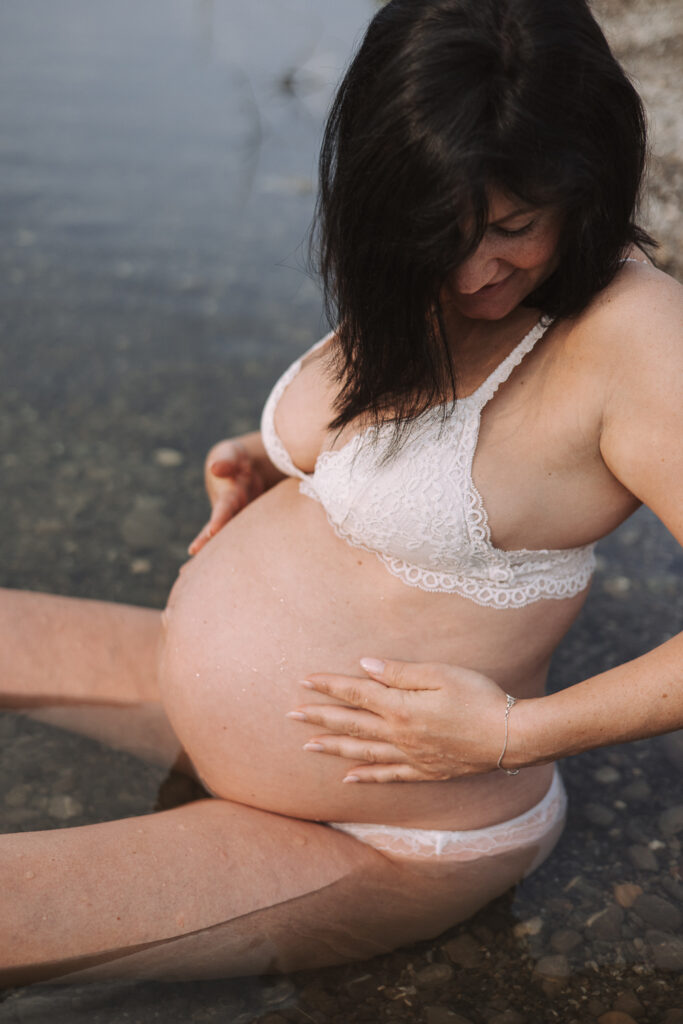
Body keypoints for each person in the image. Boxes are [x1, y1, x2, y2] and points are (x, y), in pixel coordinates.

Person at [1, 0, 681, 986]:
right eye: (438, 234)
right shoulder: (421, 262)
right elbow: (445, 450)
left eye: (513, 228)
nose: (471, 270)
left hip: (384, 830)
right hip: (212, 695)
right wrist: (284, 459)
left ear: (584, 181)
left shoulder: (636, 337)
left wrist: (511, 734)